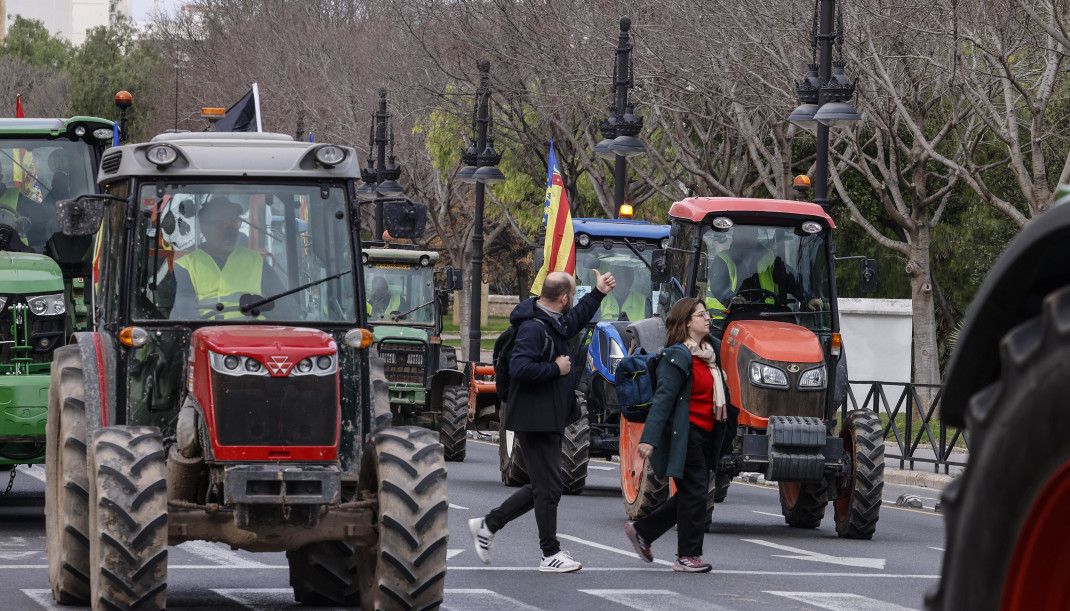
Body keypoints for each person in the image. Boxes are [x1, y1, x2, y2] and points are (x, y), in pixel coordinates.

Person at [469, 268, 616, 573]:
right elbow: (521, 367)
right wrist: (556, 369)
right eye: (572, 296)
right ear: (564, 298)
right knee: (549, 488)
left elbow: (574, 320)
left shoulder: (552, 320)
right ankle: (549, 552)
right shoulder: (533, 329)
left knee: (545, 486)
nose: (572, 302)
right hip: (534, 418)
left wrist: (598, 292)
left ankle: (488, 525)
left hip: (546, 417)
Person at [624, 297, 729, 573]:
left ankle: (643, 531)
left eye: (707, 314)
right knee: (695, 493)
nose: (708, 318)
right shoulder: (678, 355)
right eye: (702, 314)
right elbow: (663, 400)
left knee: (690, 494)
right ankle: (687, 556)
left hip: (706, 434)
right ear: (686, 322)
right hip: (686, 435)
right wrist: (649, 438)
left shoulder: (710, 353)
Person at [171, 196, 298, 320]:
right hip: (206, 337)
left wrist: (299, 319)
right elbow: (184, 301)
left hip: (254, 337)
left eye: (236, 224)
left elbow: (284, 303)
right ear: (204, 228)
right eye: (225, 224)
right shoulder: (185, 265)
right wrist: (195, 326)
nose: (232, 230)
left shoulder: (256, 261)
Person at [705, 225, 822, 313]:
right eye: (743, 236)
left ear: (755, 238)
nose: (746, 241)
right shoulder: (723, 259)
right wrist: (731, 298)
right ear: (735, 237)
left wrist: (808, 297)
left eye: (750, 236)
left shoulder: (769, 259)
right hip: (725, 318)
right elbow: (718, 285)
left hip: (765, 316)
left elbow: (790, 278)